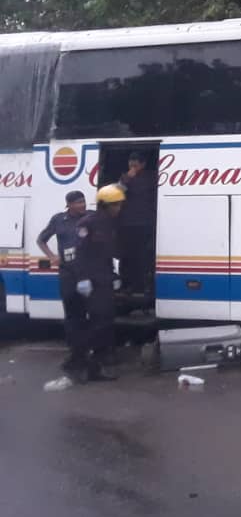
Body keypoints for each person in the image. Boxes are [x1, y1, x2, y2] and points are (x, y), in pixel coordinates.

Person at [67, 184, 126, 382]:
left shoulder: (110, 223)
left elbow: (108, 254)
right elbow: (80, 254)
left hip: (105, 280)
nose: (119, 208)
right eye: (116, 205)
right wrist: (83, 279)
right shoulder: (88, 223)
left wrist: (114, 275)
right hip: (92, 282)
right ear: (105, 205)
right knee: (98, 324)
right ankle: (84, 365)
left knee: (106, 322)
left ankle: (94, 367)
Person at [37, 191, 89, 376]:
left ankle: (86, 354)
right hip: (67, 273)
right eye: (78, 203)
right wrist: (52, 257)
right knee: (71, 315)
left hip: (86, 274)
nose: (82, 205)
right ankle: (74, 354)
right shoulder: (59, 220)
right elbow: (41, 239)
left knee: (87, 314)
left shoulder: (90, 217)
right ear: (69, 205)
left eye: (83, 201)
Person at [118, 151, 155, 296]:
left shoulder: (151, 177)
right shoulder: (124, 177)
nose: (133, 167)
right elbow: (116, 192)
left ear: (143, 164)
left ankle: (144, 286)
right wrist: (128, 178)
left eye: (136, 164)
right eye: (130, 164)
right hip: (128, 223)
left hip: (145, 222)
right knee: (127, 256)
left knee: (144, 256)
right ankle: (128, 285)